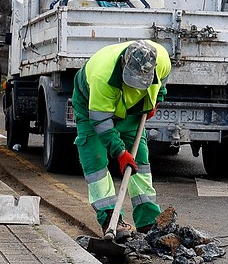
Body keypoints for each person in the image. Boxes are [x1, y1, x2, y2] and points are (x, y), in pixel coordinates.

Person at [72, 39, 172, 233]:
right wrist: (119, 152)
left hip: (133, 109)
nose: (135, 88)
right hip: (91, 107)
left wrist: (157, 100)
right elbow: (101, 122)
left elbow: (164, 80)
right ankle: (110, 219)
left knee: (139, 162)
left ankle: (148, 220)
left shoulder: (161, 58)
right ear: (123, 65)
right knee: (96, 159)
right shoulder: (102, 76)